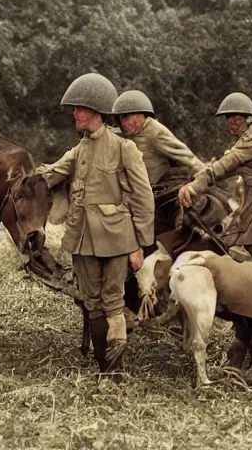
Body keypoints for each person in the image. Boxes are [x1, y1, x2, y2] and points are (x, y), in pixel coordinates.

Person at [42, 73, 154, 375]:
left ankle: (114, 373)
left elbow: (144, 199)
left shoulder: (123, 148)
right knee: (91, 302)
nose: (76, 114)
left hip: (117, 239)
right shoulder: (80, 149)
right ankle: (103, 365)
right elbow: (50, 173)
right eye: (75, 109)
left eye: (81, 108)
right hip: (82, 237)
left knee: (113, 301)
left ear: (96, 111)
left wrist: (140, 245)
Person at [178, 92, 252, 261]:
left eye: (237, 118)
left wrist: (194, 187)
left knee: (249, 248)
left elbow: (223, 167)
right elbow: (223, 170)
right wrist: (199, 177)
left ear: (249, 120)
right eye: (229, 118)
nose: (232, 123)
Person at [112, 90, 206, 235]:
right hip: (138, 196)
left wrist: (204, 179)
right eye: (122, 119)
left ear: (143, 114)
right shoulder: (128, 135)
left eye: (129, 117)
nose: (126, 123)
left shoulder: (154, 132)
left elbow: (187, 158)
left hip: (160, 195)